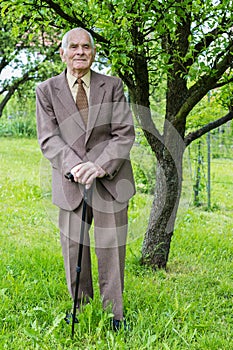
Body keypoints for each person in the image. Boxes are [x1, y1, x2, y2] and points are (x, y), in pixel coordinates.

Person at [36, 27, 135, 330]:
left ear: (94, 53)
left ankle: (114, 314)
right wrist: (77, 166)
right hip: (70, 180)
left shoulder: (113, 86)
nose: (80, 52)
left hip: (111, 180)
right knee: (72, 247)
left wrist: (100, 166)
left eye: (86, 47)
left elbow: (123, 133)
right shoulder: (46, 90)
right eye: (74, 47)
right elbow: (48, 138)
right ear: (63, 53)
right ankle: (80, 306)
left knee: (111, 247)